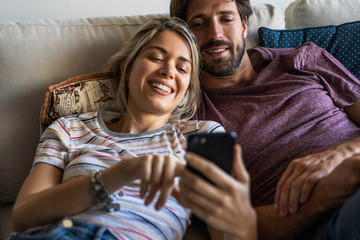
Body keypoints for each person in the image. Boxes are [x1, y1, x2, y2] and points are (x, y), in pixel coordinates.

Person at [10, 16, 254, 240]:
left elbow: (228, 230)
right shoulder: (69, 128)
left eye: (182, 68)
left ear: (187, 89)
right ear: (127, 68)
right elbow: (23, 216)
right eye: (156, 57)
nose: (168, 71)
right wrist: (121, 173)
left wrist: (242, 217)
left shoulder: (201, 137)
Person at [170, 0, 360, 239]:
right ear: (184, 35)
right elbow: (230, 227)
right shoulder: (195, 120)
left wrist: (342, 155)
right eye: (199, 23)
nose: (215, 34)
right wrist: (325, 194)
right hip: (323, 224)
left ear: (243, 23)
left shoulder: (304, 59)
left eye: (226, 19)